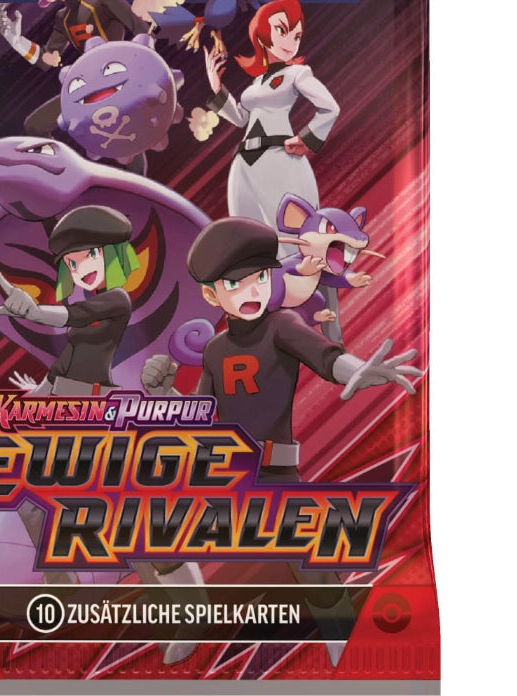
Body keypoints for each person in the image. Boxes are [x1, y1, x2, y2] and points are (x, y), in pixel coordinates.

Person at [142, 216, 421, 667]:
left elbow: (325, 356)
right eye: (234, 284)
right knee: (153, 530)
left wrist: (359, 372)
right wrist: (166, 396)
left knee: (311, 562)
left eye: (259, 278)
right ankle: (193, 616)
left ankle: (346, 647)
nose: (250, 291)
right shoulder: (214, 350)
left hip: (273, 471)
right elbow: (201, 417)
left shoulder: (282, 325)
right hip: (222, 473)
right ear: (212, 296)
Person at [0, 204, 204, 664]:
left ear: (113, 256)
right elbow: (66, 363)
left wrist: (32, 311)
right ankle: (64, 584)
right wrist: (37, 396)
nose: (80, 268)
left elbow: (68, 318)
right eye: (71, 263)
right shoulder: (84, 311)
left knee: (127, 521)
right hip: (67, 413)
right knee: (30, 498)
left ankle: (187, 611)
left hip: (97, 415)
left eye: (88, 256)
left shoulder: (115, 301)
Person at [203, 0, 339, 230]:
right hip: (244, 162)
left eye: (297, 36)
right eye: (282, 31)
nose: (291, 42)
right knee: (246, 235)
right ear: (262, 33)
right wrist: (216, 87)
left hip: (278, 157)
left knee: (288, 233)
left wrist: (307, 138)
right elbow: (241, 118)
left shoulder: (297, 73)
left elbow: (330, 107)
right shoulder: (257, 82)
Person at [0, 0, 149, 136]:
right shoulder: (64, 18)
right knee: (35, 125)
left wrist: (140, 74)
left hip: (122, 82)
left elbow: (141, 29)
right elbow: (48, 59)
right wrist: (17, 42)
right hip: (88, 88)